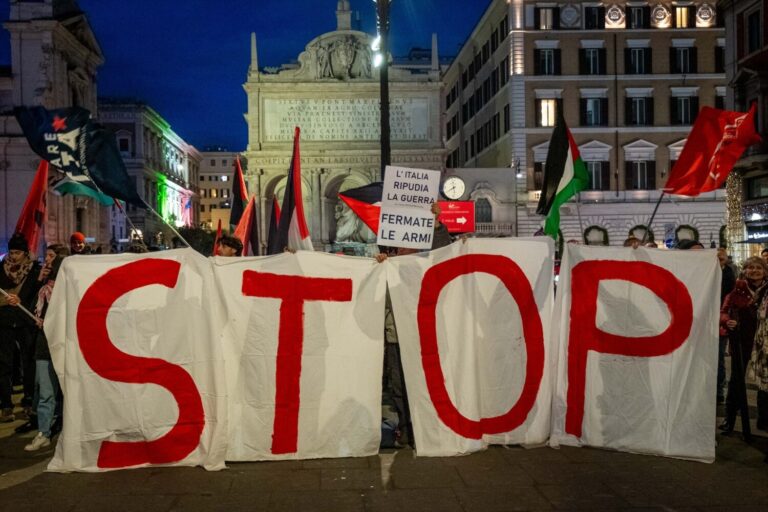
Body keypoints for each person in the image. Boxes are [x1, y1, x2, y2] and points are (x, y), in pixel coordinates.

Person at [24, 244, 68, 451]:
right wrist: (37, 281)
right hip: (44, 346)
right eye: (47, 256)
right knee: (46, 392)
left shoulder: (66, 289)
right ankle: (44, 432)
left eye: (51, 257)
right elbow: (30, 308)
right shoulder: (43, 288)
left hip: (63, 344)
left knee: (67, 391)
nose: (47, 260)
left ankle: (65, 428)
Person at [720, 256, 768, 440]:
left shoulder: (766, 291)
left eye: (759, 268)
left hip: (764, 343)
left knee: (765, 381)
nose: (754, 271)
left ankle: (763, 419)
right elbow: (723, 311)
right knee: (736, 381)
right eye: (751, 267)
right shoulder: (737, 289)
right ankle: (729, 419)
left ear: (764, 271)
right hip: (743, 342)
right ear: (745, 270)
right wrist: (727, 321)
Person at [0, 233, 42, 422]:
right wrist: (6, 300)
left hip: (26, 321)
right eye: (12, 252)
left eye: (17, 253)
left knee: (28, 363)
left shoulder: (35, 271)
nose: (14, 256)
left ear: (25, 253)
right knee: (4, 363)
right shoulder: (1, 268)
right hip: (4, 321)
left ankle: (29, 401)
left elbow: (37, 295)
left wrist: (21, 299)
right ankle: (6, 405)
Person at [717, 248, 736, 404]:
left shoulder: (728, 274)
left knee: (718, 358)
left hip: (719, 323)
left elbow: (730, 297)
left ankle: (718, 392)